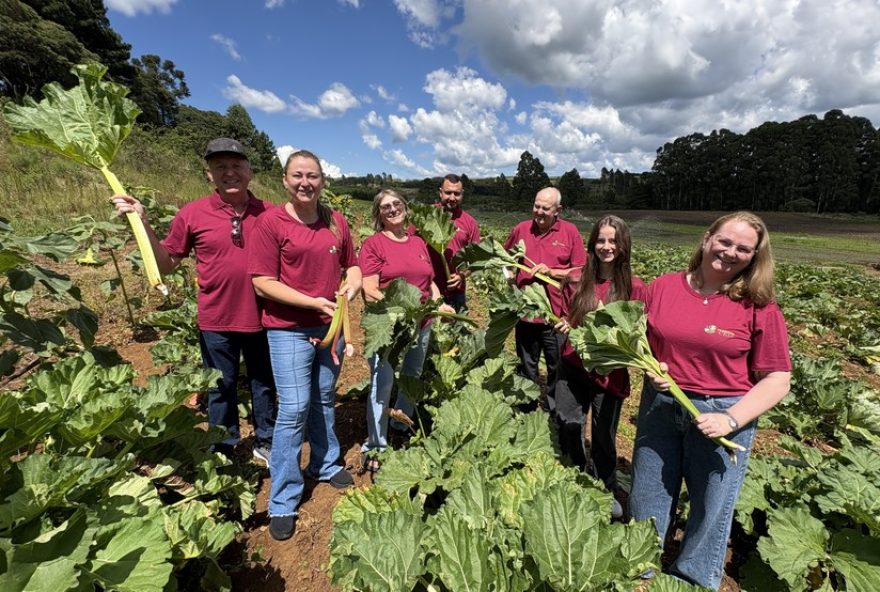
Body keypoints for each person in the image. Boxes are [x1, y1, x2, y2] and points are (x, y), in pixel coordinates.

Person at [629, 212, 791, 590]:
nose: (730, 252)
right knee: (648, 490)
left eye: (743, 248)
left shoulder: (758, 305)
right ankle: (638, 566)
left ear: (754, 257)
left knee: (710, 504)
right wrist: (650, 370)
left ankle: (693, 578)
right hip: (660, 405)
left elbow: (778, 379)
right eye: (725, 241)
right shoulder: (664, 287)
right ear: (706, 240)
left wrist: (731, 420)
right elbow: (642, 343)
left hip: (722, 411)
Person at [111, 137, 276, 463]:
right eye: (220, 167)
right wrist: (142, 221)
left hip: (265, 317)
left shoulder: (271, 213)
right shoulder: (193, 214)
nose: (230, 172)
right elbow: (166, 262)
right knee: (220, 388)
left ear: (250, 171)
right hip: (216, 320)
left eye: (236, 165)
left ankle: (267, 441)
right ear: (209, 174)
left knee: (264, 384)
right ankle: (223, 448)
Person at [248, 149, 362, 541]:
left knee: (324, 397)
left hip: (331, 327)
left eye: (312, 176)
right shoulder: (270, 223)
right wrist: (311, 301)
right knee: (294, 408)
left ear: (322, 180)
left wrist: (354, 282)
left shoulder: (335, 221)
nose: (305, 183)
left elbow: (354, 263)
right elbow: (262, 280)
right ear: (284, 179)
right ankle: (282, 499)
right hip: (288, 328)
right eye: (297, 175)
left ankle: (325, 464)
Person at [555, 215, 645, 519]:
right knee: (568, 421)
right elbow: (570, 316)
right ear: (592, 243)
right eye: (601, 240)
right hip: (572, 363)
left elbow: (638, 332)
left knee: (604, 433)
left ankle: (605, 486)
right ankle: (577, 476)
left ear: (623, 246)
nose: (606, 246)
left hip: (608, 372)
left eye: (613, 240)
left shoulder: (635, 287)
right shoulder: (578, 278)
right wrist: (566, 323)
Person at [359, 189, 455, 472]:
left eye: (396, 204)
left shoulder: (417, 242)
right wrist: (403, 309)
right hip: (389, 325)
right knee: (382, 384)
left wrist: (439, 304)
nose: (392, 209)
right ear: (379, 214)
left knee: (411, 377)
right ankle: (376, 445)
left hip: (421, 324)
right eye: (385, 207)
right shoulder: (374, 244)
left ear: (405, 208)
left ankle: (401, 425)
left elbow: (429, 282)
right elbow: (369, 289)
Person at [504, 187, 586, 409]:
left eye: (545, 208)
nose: (538, 212)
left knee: (556, 368)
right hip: (526, 314)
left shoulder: (570, 232)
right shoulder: (521, 229)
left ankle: (553, 414)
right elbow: (505, 257)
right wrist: (509, 279)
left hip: (556, 317)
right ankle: (526, 410)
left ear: (558, 210)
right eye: (536, 206)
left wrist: (551, 272)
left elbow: (580, 271)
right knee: (526, 367)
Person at [430, 174, 481, 311]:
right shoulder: (427, 215)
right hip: (428, 289)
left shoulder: (470, 223)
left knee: (456, 330)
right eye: (448, 192)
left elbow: (476, 259)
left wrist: (462, 275)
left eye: (456, 193)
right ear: (440, 192)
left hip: (456, 293)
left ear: (462, 194)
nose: (452, 198)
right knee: (427, 331)